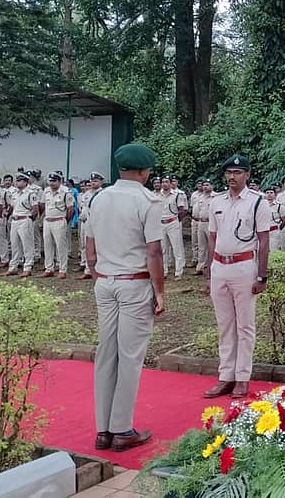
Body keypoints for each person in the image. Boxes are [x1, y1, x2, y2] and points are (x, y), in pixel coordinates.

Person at [86, 143, 165, 453]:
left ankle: (102, 429)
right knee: (129, 356)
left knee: (106, 353)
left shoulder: (98, 198)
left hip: (105, 283)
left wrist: (100, 276)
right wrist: (159, 291)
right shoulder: (148, 200)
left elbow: (90, 248)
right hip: (134, 283)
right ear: (144, 172)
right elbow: (154, 250)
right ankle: (122, 429)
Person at [202, 154, 271, 399]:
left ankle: (242, 377)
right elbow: (212, 238)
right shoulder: (216, 201)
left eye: (238, 172)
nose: (232, 177)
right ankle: (226, 377)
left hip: (244, 267)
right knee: (225, 325)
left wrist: (261, 276)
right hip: (220, 266)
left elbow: (264, 240)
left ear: (248, 175)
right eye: (229, 172)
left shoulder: (257, 202)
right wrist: (209, 271)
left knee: (245, 326)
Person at [40, 172, 74, 278]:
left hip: (59, 220)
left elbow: (70, 210)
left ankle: (62, 269)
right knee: (47, 246)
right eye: (50, 181)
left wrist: (65, 221)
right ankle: (49, 268)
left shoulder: (65, 192)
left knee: (61, 246)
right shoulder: (46, 191)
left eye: (54, 181)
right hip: (48, 220)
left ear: (60, 181)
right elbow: (42, 205)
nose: (52, 183)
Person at [6, 172, 38, 277]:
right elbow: (11, 207)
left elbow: (35, 209)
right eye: (17, 181)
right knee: (14, 244)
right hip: (15, 219)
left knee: (27, 244)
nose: (17, 183)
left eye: (20, 181)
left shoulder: (30, 193)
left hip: (25, 219)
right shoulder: (14, 193)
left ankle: (28, 266)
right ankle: (13, 266)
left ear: (25, 182)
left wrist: (29, 219)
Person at [159, 175, 186, 277]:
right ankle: (164, 270)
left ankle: (178, 271)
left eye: (167, 182)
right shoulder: (158, 195)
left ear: (170, 183)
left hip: (173, 222)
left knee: (176, 248)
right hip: (161, 223)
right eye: (163, 182)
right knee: (163, 249)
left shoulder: (176, 195)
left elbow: (181, 210)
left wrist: (176, 220)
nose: (164, 184)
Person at [192, 179, 214, 275]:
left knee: (212, 246)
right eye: (204, 185)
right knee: (201, 246)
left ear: (212, 186)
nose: (205, 187)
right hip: (201, 222)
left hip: (211, 223)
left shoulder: (215, 197)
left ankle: (212, 266)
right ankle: (200, 267)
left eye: (207, 185)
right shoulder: (199, 197)